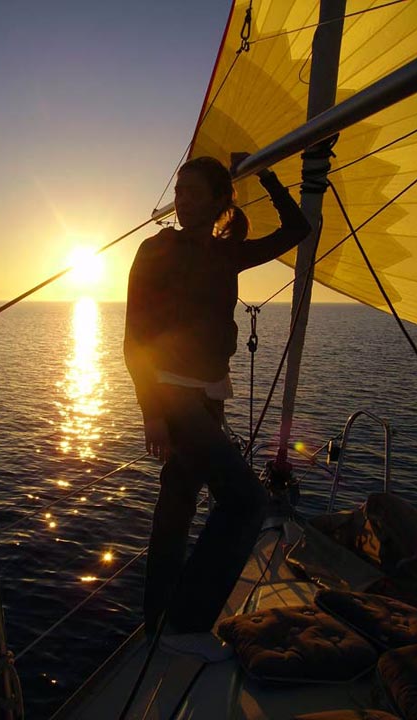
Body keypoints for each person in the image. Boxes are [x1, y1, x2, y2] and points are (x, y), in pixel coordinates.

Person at [124, 155, 310, 659]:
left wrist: (268, 175)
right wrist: (151, 410)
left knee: (179, 504)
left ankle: (158, 622)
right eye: (178, 191)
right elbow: (134, 335)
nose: (181, 201)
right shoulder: (155, 249)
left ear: (220, 201)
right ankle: (185, 625)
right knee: (246, 501)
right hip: (172, 395)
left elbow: (297, 228)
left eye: (192, 193)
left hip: (209, 396)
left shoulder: (227, 254)